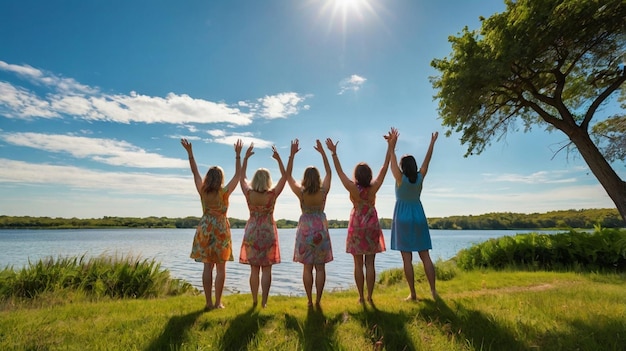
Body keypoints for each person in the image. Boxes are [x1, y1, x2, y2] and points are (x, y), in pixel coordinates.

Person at [325, 128, 398, 304]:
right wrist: (391, 147)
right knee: (370, 264)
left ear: (356, 176)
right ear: (369, 175)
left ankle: (360, 297)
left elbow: (340, 173)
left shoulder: (352, 188)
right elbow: (385, 167)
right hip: (371, 224)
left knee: (358, 264)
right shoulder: (374, 187)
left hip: (357, 225)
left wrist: (334, 154)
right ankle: (370, 297)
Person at [181, 138, 243, 311]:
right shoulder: (224, 192)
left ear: (208, 177)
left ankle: (208, 303)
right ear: (221, 178)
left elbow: (195, 173)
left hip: (206, 228)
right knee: (221, 268)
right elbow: (238, 176)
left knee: (207, 267)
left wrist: (190, 154)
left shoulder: (202, 190)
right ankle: (218, 303)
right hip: (221, 229)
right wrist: (238, 155)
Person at [389, 130, 439, 301]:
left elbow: (392, 162)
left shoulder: (399, 178)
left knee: (407, 259)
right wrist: (432, 142)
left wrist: (392, 146)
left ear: (403, 167)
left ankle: (413, 294)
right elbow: (428, 160)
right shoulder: (420, 177)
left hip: (402, 219)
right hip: (418, 216)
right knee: (425, 256)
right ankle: (433, 292)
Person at [284, 138, 333, 307]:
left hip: (305, 228)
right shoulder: (323, 191)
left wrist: (291, 156)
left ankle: (310, 301)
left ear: (305, 178)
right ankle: (318, 300)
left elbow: (288, 176)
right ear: (317, 178)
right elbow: (329, 173)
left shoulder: (301, 192)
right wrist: (324, 153)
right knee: (320, 268)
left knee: (307, 268)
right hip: (320, 228)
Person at [238, 143, 288, 308]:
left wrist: (243, 157)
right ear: (268, 181)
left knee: (254, 270)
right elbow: (285, 177)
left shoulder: (249, 193)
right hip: (267, 230)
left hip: (252, 230)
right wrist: (279, 160)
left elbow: (241, 176)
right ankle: (264, 303)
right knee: (266, 269)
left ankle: (254, 301)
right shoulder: (272, 194)